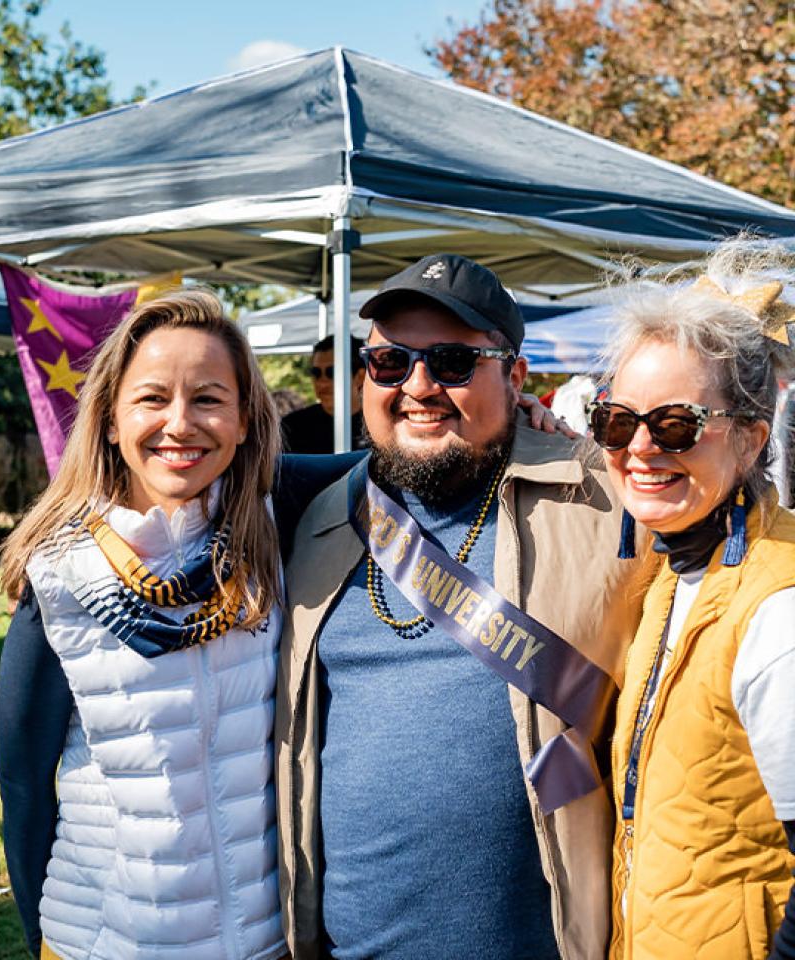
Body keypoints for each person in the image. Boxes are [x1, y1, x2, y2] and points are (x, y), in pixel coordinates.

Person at [274, 254, 651, 960]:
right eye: (389, 363)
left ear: (514, 375)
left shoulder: (606, 500)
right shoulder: (317, 517)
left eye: (452, 362)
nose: (418, 386)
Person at [0, 290, 295, 960]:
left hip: (260, 941)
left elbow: (394, 470)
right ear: (109, 419)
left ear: (245, 421)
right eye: (153, 398)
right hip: (104, 942)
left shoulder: (277, 525)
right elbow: (22, 780)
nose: (181, 423)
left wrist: (526, 425)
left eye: (210, 399)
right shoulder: (58, 574)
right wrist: (41, 933)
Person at [584, 244, 795, 959]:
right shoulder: (672, 567)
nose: (640, 449)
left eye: (676, 424)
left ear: (748, 441)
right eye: (616, 422)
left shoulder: (778, 607)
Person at [281, 334, 367, 452]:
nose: (322, 382)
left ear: (360, 376)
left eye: (332, 372)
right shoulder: (292, 427)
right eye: (316, 373)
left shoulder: (377, 427)